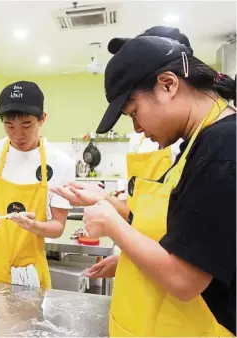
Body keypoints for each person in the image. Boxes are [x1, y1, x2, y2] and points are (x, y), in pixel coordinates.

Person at [53, 27, 236, 336]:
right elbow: (176, 230)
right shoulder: (199, 142)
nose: (137, 128)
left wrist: (113, 224)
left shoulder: (223, 150)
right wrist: (108, 206)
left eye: (134, 112)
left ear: (167, 85)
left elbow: (185, 280)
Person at [0, 81, 75, 289]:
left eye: (26, 125)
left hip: (28, 273)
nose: (17, 135)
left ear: (42, 118)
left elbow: (57, 227)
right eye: (9, 126)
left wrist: (34, 226)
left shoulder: (61, 163)